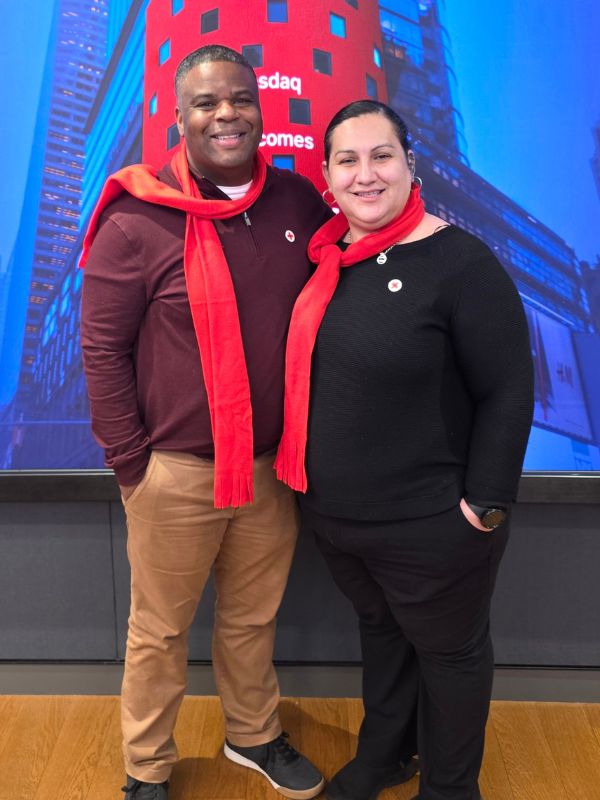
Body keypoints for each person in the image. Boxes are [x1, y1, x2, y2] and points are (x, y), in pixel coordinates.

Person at [80, 45, 332, 800]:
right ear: (181, 117)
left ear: (261, 108)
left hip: (270, 468)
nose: (226, 114)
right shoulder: (137, 217)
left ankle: (253, 736)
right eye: (206, 103)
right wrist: (134, 463)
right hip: (176, 474)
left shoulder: (295, 202)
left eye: (240, 99)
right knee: (158, 633)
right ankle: (146, 770)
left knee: (253, 622)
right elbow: (101, 349)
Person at [275, 100, 534, 800]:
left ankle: (450, 789)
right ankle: (386, 755)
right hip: (339, 521)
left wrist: (484, 506)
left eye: (381, 155)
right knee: (383, 638)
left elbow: (509, 391)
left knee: (449, 657)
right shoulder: (329, 260)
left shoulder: (460, 263)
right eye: (347, 160)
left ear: (409, 163)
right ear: (326, 176)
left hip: (433, 527)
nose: (366, 174)